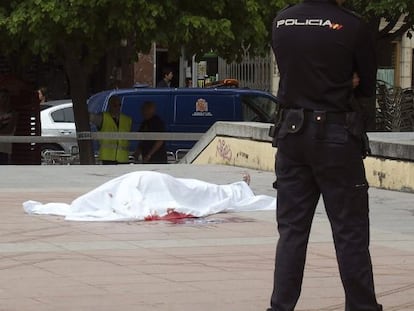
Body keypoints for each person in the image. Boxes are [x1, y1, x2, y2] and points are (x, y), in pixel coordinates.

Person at [267, 1, 382, 311]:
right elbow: (367, 86)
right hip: (336, 135)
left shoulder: (282, 21)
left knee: (292, 231)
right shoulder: (352, 25)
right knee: (349, 232)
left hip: (291, 133)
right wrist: (348, 80)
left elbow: (294, 71)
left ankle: (280, 307)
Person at [23, 171, 277, 222]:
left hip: (150, 180)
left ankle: (236, 187)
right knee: (200, 191)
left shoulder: (120, 188)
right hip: (153, 181)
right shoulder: (125, 189)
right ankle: (236, 187)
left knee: (199, 190)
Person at [90, 95, 132, 165]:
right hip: (107, 158)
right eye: (115, 105)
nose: (117, 107)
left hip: (123, 158)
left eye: (119, 105)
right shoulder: (103, 117)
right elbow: (90, 117)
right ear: (109, 105)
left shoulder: (127, 120)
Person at [0, 89, 17, 165]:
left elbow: (9, 130)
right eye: (2, 97)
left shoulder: (13, 114)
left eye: (6, 97)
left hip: (5, 147)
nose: (3, 99)